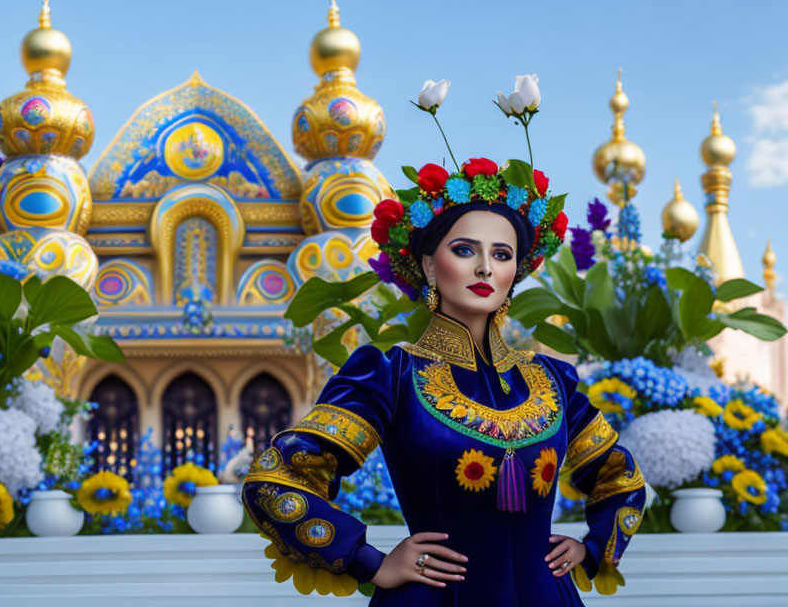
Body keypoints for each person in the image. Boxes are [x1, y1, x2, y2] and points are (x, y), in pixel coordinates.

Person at [242, 156, 646, 606]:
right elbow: (276, 478)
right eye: (465, 250)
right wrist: (369, 562)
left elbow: (620, 477)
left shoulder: (552, 380)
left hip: (545, 594)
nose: (485, 269)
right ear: (430, 266)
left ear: (515, 273)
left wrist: (592, 552)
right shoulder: (390, 375)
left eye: (502, 254)